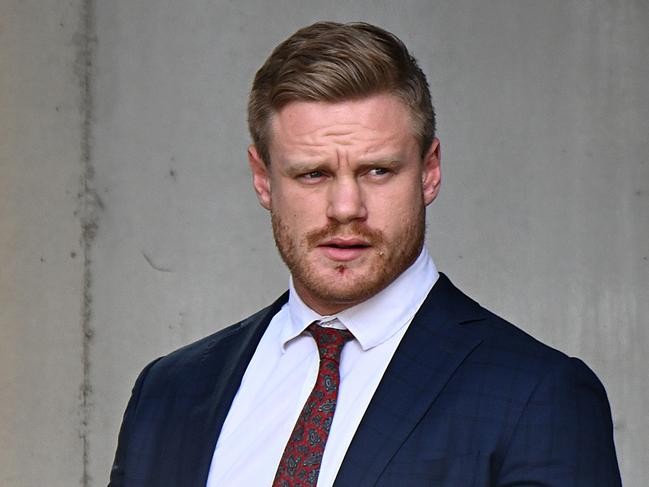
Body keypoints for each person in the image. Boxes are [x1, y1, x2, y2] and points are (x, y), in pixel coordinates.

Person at [109, 21, 621, 487]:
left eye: (377, 170)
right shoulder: (169, 392)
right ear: (263, 179)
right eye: (313, 174)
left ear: (429, 171)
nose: (345, 208)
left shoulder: (537, 396)